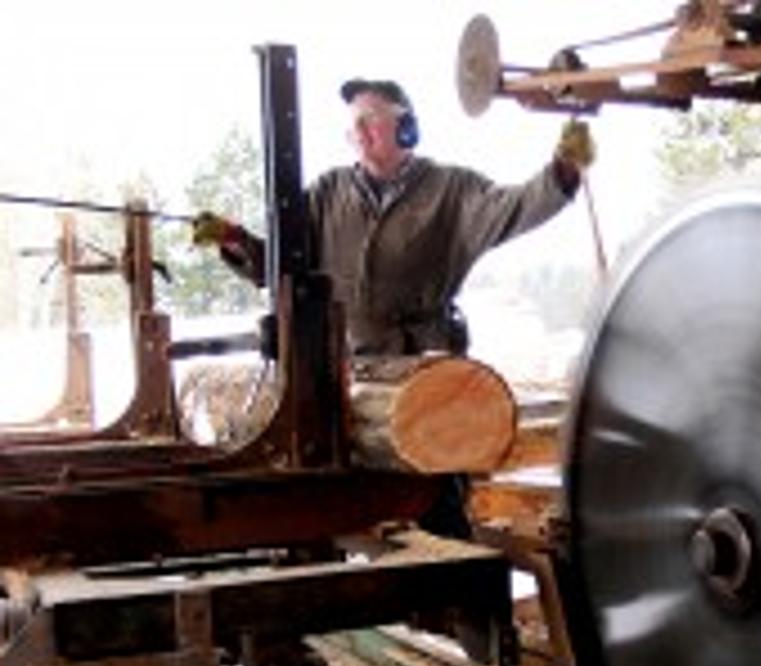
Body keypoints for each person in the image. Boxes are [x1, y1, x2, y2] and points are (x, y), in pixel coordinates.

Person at [194, 77, 595, 537]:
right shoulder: (328, 194)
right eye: (353, 126)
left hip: (429, 379)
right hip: (356, 376)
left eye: (371, 121)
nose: (360, 133)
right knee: (357, 508)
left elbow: (518, 206)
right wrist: (232, 240)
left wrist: (566, 168)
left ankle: (459, 594)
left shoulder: (451, 191)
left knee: (438, 508)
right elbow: (280, 266)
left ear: (405, 128)